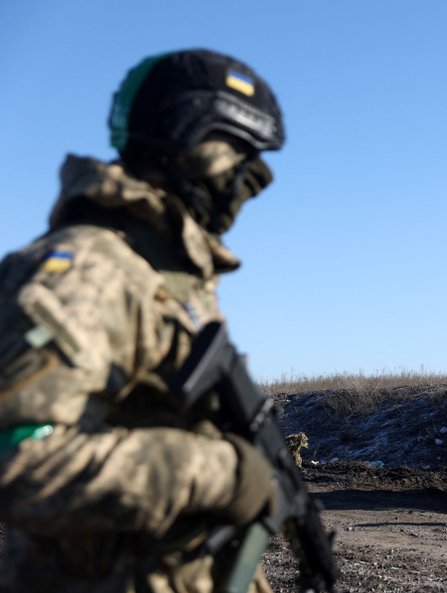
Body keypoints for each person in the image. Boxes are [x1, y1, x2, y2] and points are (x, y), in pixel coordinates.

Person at [0, 49, 287, 592]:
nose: (257, 178)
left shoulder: (163, 278)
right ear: (186, 134)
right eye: (241, 151)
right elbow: (19, 462)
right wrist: (222, 473)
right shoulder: (88, 268)